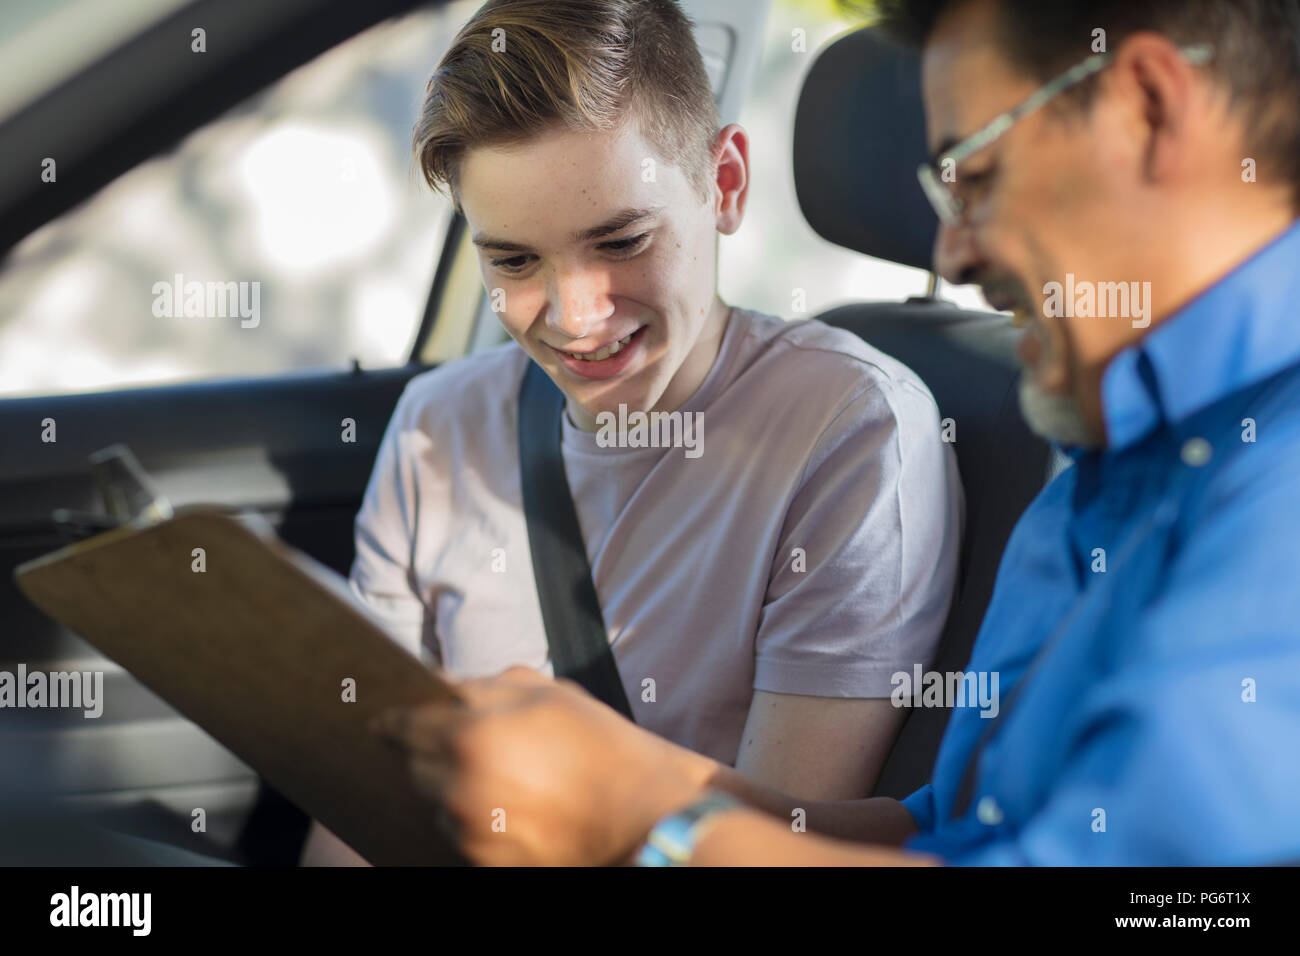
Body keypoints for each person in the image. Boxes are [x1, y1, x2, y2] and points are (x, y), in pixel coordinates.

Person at [376, 0, 1300, 866]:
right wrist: (645, 781)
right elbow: (946, 831)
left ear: (1146, 107)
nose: (952, 252)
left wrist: (647, 823)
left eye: (974, 176)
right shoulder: (1107, 472)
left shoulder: (1273, 484)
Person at [302, 0, 962, 863]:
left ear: (723, 185)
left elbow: (779, 846)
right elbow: (355, 812)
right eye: (512, 260)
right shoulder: (438, 427)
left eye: (620, 240)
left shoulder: (852, 432)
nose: (576, 317)